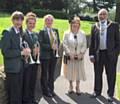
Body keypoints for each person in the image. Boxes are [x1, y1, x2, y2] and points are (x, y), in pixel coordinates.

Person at [89, 8, 120, 102]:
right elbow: (92, 42)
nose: (102, 16)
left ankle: (110, 94)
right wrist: (91, 54)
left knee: (111, 75)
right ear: (98, 16)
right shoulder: (94, 26)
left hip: (110, 55)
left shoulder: (114, 25)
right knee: (97, 74)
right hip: (98, 54)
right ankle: (97, 91)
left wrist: (115, 53)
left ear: (107, 15)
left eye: (104, 14)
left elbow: (118, 41)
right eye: (100, 14)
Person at [1, 11, 31, 104]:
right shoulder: (7, 32)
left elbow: (19, 47)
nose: (18, 21)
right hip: (12, 69)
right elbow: (5, 52)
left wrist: (25, 52)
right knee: (14, 95)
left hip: (20, 67)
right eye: (16, 19)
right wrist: (21, 52)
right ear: (12, 20)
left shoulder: (19, 32)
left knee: (18, 92)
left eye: (21, 19)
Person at [62, 16, 87, 95]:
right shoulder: (66, 33)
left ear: (79, 24)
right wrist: (69, 53)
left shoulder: (82, 33)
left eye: (77, 23)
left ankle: (78, 86)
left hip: (79, 56)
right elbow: (64, 44)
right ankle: (70, 86)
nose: (75, 24)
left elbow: (85, 44)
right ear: (71, 24)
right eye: (73, 22)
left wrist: (81, 53)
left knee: (78, 72)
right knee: (70, 72)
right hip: (70, 57)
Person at [39, 14, 60, 97]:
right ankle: (45, 90)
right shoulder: (41, 31)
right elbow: (40, 43)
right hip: (45, 56)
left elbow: (58, 41)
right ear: (44, 21)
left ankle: (51, 89)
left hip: (54, 55)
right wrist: (51, 46)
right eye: (47, 20)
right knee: (45, 74)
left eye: (51, 20)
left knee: (52, 74)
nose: (49, 22)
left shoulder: (55, 30)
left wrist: (57, 45)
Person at [22, 12, 39, 104]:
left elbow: (37, 45)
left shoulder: (35, 34)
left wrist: (37, 49)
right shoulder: (23, 33)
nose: (32, 25)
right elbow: (22, 46)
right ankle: (26, 100)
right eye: (30, 23)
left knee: (33, 80)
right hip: (27, 61)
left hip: (35, 60)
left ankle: (32, 98)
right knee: (27, 81)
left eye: (33, 23)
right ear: (26, 23)